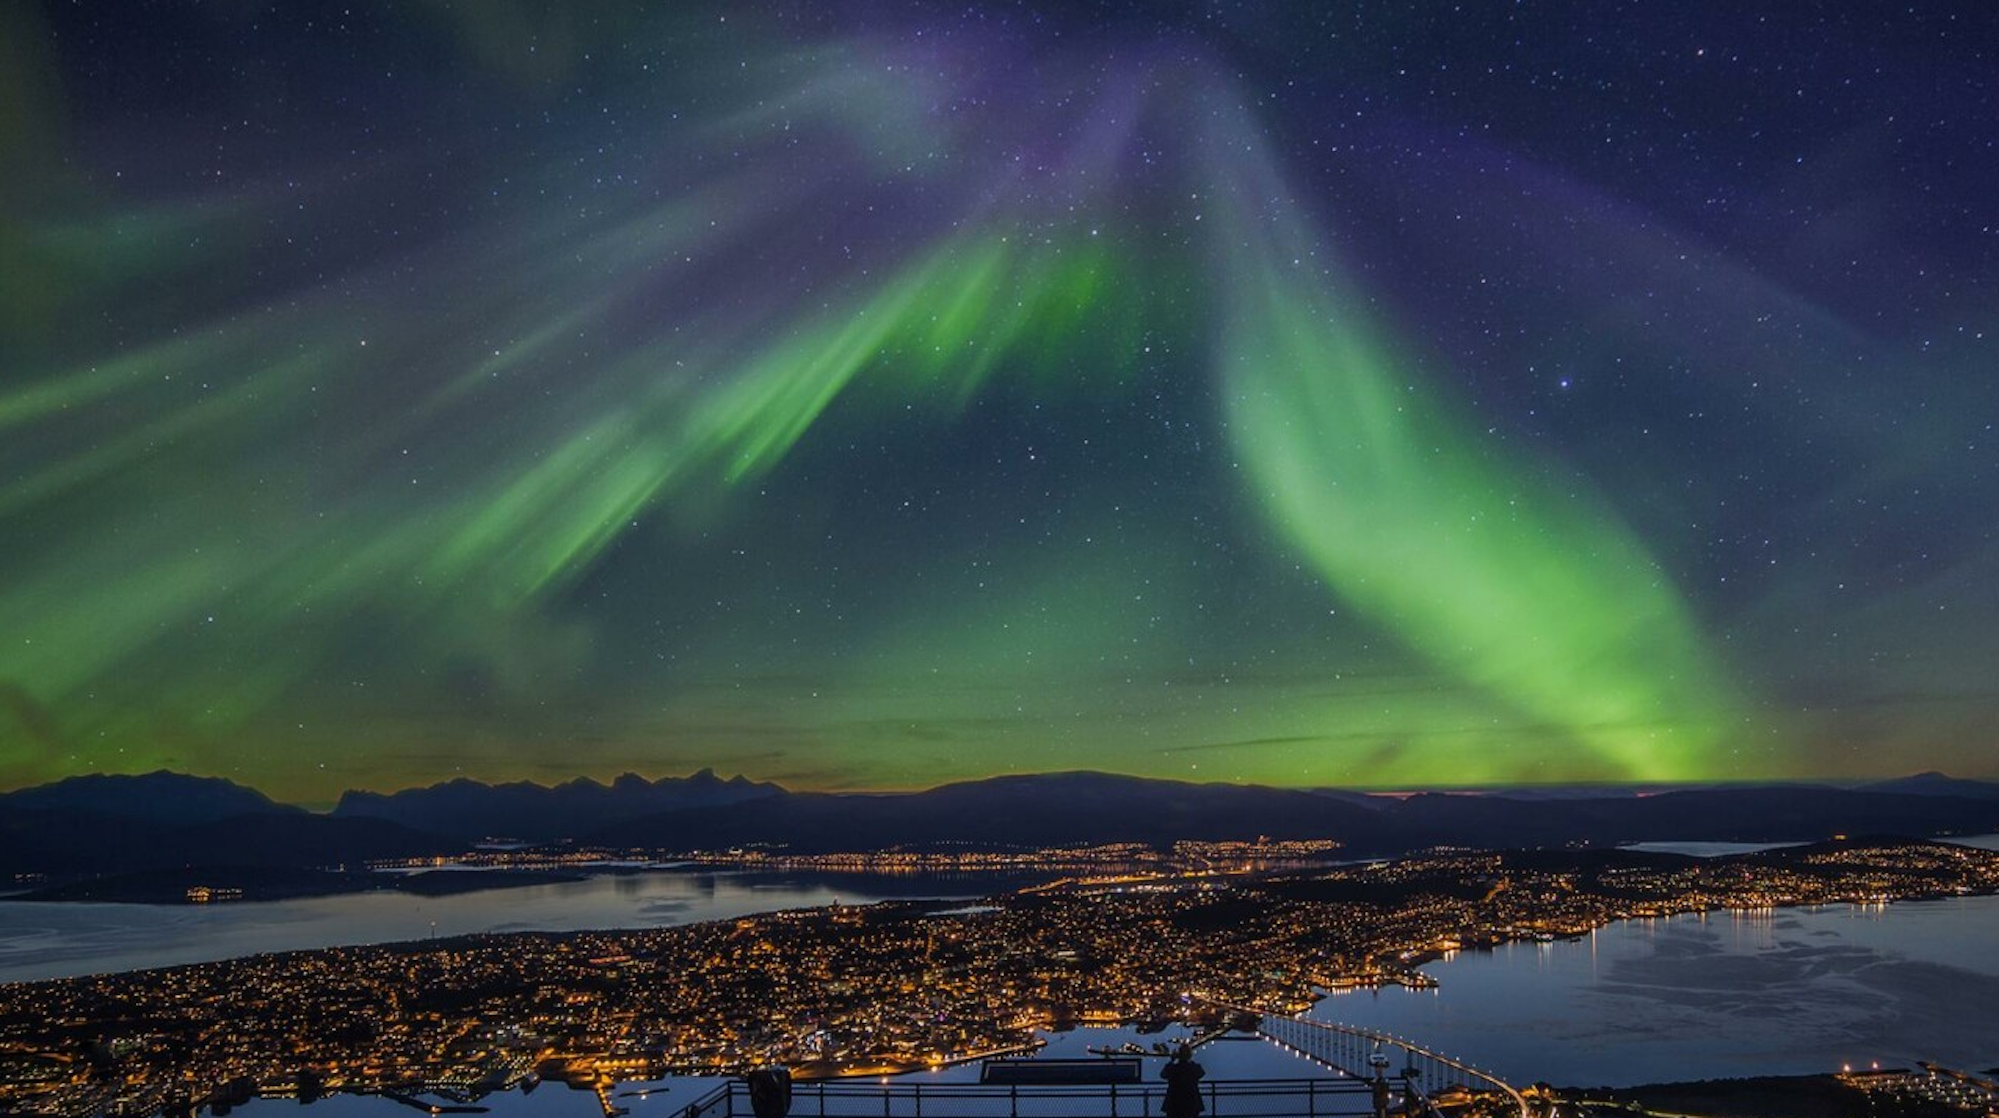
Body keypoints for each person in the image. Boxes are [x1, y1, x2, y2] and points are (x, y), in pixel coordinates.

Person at [1161, 1045, 1206, 1118]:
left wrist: (1171, 1060)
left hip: (1174, 1101)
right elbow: (1201, 1073)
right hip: (1191, 1101)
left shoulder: (1173, 1068)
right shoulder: (1194, 1067)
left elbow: (1163, 1075)